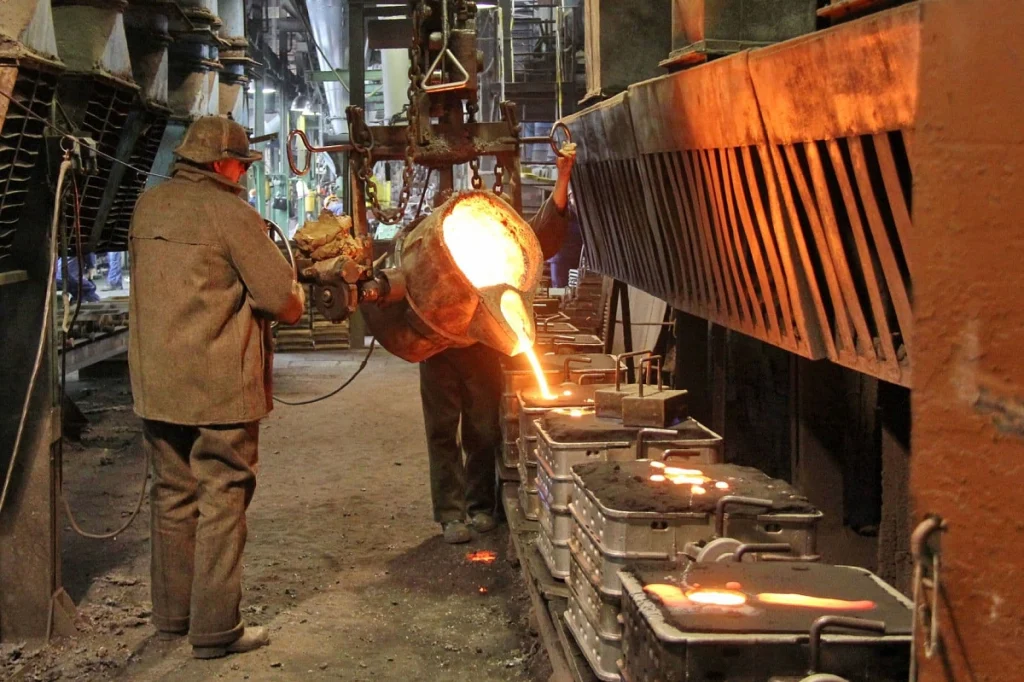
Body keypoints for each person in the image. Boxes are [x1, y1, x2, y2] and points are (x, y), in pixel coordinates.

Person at [128, 116, 305, 658]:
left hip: (158, 383)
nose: (243, 175)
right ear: (223, 163)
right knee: (223, 498)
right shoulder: (231, 213)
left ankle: (173, 617)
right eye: (241, 165)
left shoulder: (148, 206)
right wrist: (297, 291)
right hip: (219, 388)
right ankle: (215, 629)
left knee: (172, 495)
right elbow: (280, 300)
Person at [419, 147, 577, 544]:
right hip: (438, 345)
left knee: (483, 428)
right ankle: (451, 514)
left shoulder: (497, 242)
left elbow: (539, 238)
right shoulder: (437, 247)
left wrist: (562, 179)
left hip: (481, 344)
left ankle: (481, 506)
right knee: (442, 430)